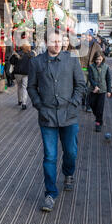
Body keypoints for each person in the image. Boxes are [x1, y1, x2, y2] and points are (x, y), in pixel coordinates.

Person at [27, 29, 86, 213]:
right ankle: (50, 193)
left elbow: (81, 85)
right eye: (53, 41)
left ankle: (68, 173)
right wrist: (39, 105)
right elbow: (31, 87)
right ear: (46, 42)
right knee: (50, 156)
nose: (57, 44)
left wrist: (75, 103)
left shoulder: (72, 60)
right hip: (47, 117)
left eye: (59, 41)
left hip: (69, 115)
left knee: (71, 151)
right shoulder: (36, 62)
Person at [88, 52, 112, 132]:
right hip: (93, 90)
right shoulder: (91, 67)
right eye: (97, 59)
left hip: (102, 90)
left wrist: (109, 91)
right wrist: (95, 86)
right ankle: (98, 117)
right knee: (91, 104)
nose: (98, 61)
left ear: (103, 59)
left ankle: (98, 123)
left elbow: (108, 79)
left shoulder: (106, 67)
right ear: (94, 59)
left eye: (100, 59)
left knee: (100, 108)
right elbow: (90, 78)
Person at [79, 29, 102, 112]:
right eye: (87, 35)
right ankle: (83, 99)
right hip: (83, 69)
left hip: (92, 69)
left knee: (89, 87)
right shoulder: (81, 44)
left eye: (89, 35)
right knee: (83, 86)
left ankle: (88, 105)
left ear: (91, 36)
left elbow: (101, 57)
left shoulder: (97, 46)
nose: (88, 37)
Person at [10, 43, 36, 110]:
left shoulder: (17, 53)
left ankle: (19, 100)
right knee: (24, 87)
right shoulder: (30, 54)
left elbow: (11, 62)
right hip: (26, 73)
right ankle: (24, 103)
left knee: (19, 86)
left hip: (17, 73)